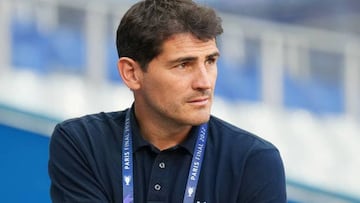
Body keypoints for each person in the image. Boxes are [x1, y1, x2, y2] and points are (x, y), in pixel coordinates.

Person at [48, 0, 287, 202]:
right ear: (131, 73)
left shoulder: (254, 160)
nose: (204, 82)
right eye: (184, 65)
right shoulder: (80, 142)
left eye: (210, 61)